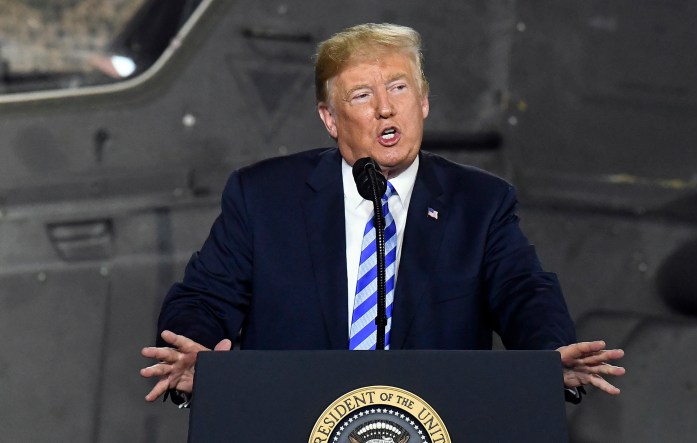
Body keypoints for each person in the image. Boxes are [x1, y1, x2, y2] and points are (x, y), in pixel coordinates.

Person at [140, 22, 624, 405]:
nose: (386, 110)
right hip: (292, 420)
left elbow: (524, 292)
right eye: (362, 95)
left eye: (398, 88)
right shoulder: (264, 197)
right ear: (330, 118)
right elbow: (204, 297)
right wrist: (194, 344)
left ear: (425, 101)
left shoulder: (480, 203)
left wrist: (546, 356)